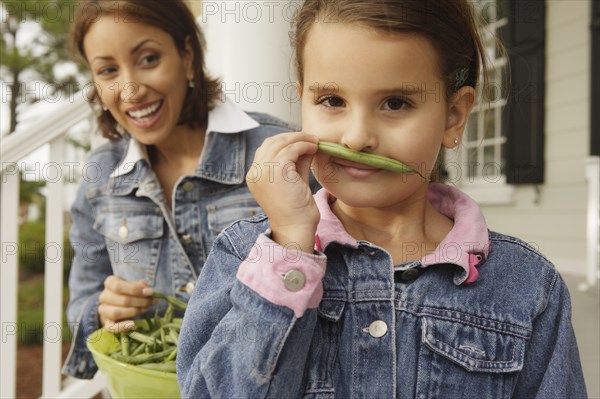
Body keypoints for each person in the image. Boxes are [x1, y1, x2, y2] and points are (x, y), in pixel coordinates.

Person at [177, 0, 588, 397]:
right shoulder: (245, 256)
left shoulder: (531, 289)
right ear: (302, 101)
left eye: (396, 103)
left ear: (454, 115)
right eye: (332, 101)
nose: (356, 137)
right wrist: (289, 247)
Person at [62, 0, 294, 379]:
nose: (131, 90)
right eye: (107, 70)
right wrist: (103, 312)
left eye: (149, 58)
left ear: (187, 56)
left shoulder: (274, 152)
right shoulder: (100, 175)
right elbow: (83, 303)